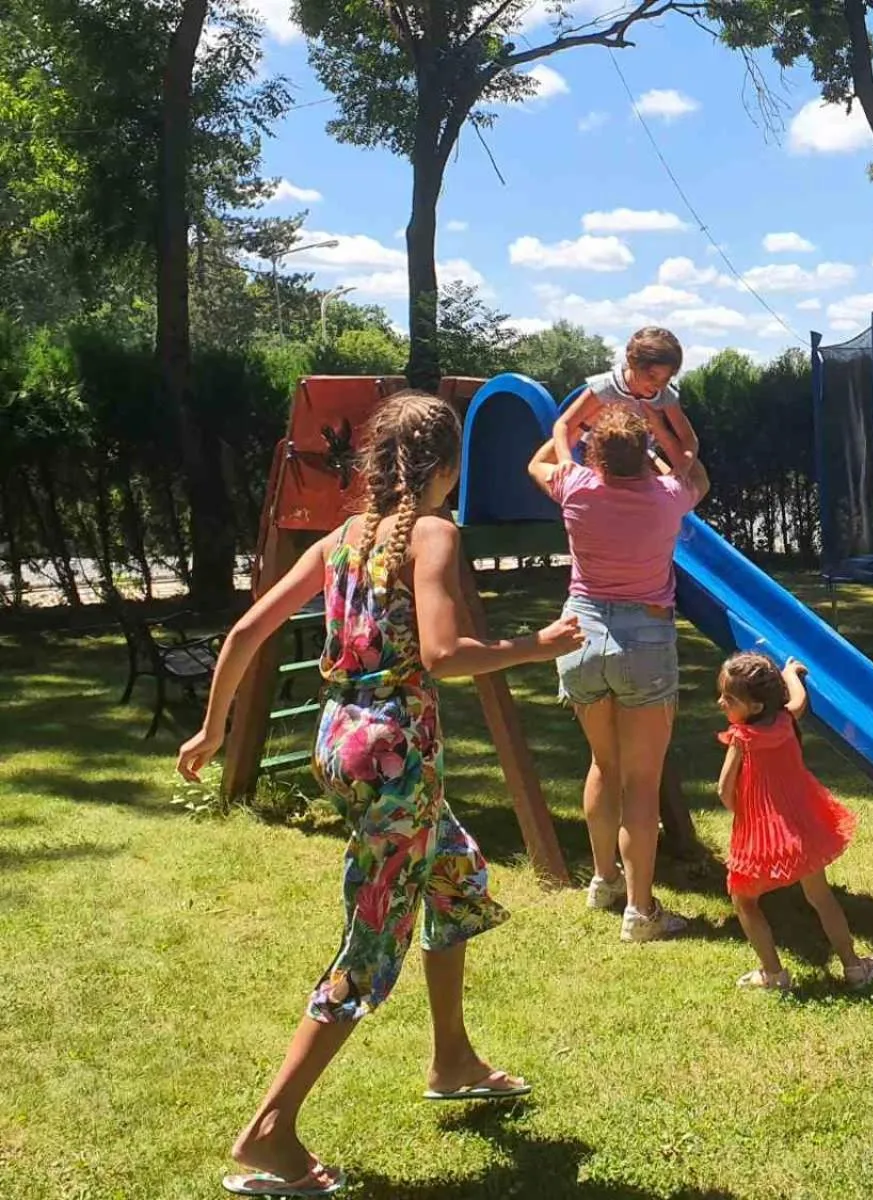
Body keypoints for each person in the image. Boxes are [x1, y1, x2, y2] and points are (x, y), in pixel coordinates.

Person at [177, 391, 583, 1197]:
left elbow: (245, 632)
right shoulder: (433, 533)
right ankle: (270, 1131)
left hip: (341, 740)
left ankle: (453, 1058)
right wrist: (536, 647)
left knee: (458, 872)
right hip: (395, 755)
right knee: (371, 941)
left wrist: (213, 730)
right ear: (447, 468)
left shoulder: (340, 539)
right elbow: (443, 653)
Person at [527, 405, 710, 942]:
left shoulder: (576, 487)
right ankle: (640, 911)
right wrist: (663, 441)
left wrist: (570, 434)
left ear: (596, 456)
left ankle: (604, 880)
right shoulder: (668, 496)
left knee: (603, 765)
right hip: (645, 641)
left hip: (579, 634)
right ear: (642, 456)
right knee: (640, 781)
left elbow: (537, 463)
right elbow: (696, 473)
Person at [716, 652, 873, 991]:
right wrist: (790, 672)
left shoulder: (741, 739)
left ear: (756, 707)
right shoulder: (786, 721)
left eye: (729, 698)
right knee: (820, 897)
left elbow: (723, 790)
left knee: (744, 900)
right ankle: (853, 967)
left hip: (763, 831)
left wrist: (744, 813)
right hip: (803, 827)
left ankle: (773, 974)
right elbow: (799, 698)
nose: (720, 702)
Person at [552, 326, 700, 473]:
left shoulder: (665, 397)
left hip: (637, 455)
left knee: (682, 486)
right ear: (631, 362)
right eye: (652, 376)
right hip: (595, 453)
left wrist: (682, 469)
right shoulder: (606, 388)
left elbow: (688, 438)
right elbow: (563, 424)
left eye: (666, 379)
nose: (658, 385)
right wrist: (565, 459)